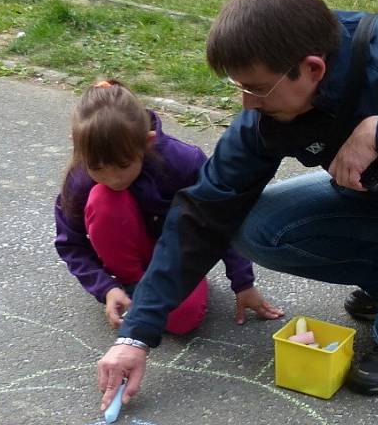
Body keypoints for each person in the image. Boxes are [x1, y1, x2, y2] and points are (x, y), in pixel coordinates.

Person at [96, 0, 378, 410]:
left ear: (312, 68)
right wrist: (137, 333)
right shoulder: (266, 114)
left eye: (257, 87)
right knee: (253, 227)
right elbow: (205, 209)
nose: (248, 102)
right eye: (239, 86)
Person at [54, 79, 282, 340]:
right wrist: (106, 288)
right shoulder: (81, 177)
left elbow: (222, 216)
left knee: (184, 319)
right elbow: (70, 243)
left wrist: (243, 282)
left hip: (177, 253)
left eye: (123, 165)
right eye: (98, 168)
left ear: (147, 142)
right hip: (127, 254)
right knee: (104, 197)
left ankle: (160, 290)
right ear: (78, 147)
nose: (113, 178)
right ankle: (133, 285)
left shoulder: (183, 162)